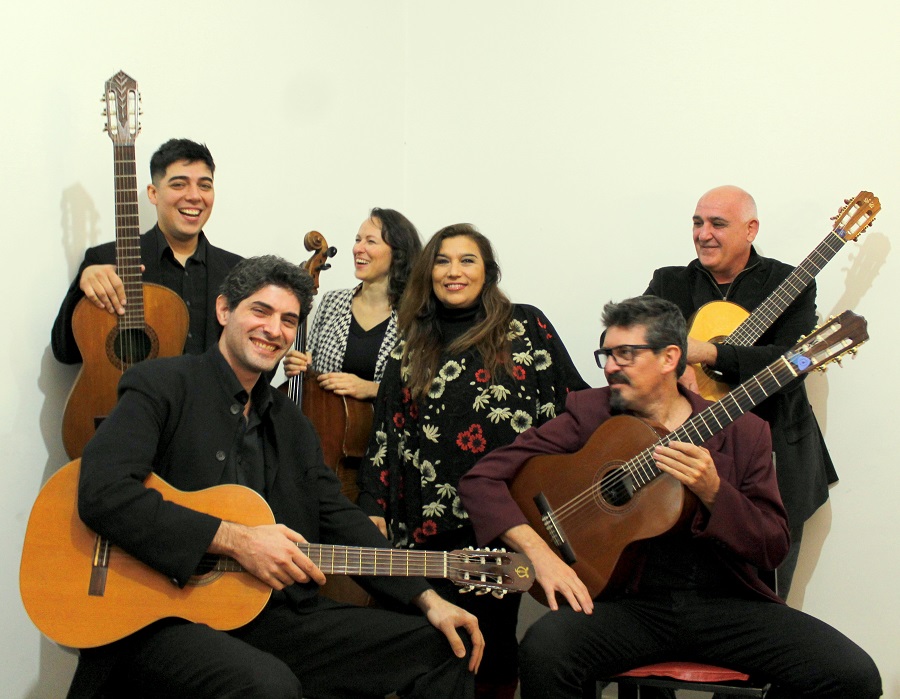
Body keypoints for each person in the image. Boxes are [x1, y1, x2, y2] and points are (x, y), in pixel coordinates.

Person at [69, 255, 483, 699]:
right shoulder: (162, 384)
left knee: (443, 645)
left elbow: (340, 517)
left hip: (269, 616)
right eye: (261, 311)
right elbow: (103, 492)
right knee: (269, 686)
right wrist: (234, 539)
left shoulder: (292, 423)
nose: (274, 330)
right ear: (225, 310)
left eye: (289, 320)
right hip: (163, 616)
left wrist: (429, 599)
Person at [458, 295, 881, 699]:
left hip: (723, 605)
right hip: (627, 606)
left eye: (626, 354)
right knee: (544, 648)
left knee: (852, 677)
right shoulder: (591, 413)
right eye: (606, 355)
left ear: (670, 358)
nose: (610, 369)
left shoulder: (744, 432)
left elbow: (771, 547)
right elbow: (482, 480)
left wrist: (715, 492)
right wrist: (540, 554)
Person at [357, 224, 588, 699]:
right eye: (442, 261)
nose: (453, 271)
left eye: (467, 260)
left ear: (488, 272)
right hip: (428, 521)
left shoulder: (527, 325)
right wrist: (373, 505)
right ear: (428, 272)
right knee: (436, 642)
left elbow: (576, 402)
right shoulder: (411, 342)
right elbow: (388, 429)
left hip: (508, 517)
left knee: (495, 644)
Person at [644, 184, 836, 599]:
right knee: (682, 588)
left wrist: (709, 352)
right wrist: (675, 364)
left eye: (718, 223)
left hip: (774, 458)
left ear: (751, 229)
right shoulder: (670, 282)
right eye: (697, 222)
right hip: (684, 454)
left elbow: (795, 363)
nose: (703, 234)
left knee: (767, 597)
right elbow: (629, 338)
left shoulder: (790, 282)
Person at [51, 138, 243, 363]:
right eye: (179, 184)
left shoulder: (237, 272)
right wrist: (82, 285)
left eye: (204, 185)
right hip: (120, 398)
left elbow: (250, 359)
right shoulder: (107, 260)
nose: (194, 196)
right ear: (153, 193)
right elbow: (66, 353)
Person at [283, 207, 422, 399]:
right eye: (358, 240)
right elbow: (311, 364)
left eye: (370, 241)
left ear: (398, 254)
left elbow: (423, 390)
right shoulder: (332, 302)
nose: (358, 249)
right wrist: (300, 365)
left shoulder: (416, 315)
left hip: (384, 427)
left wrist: (372, 389)